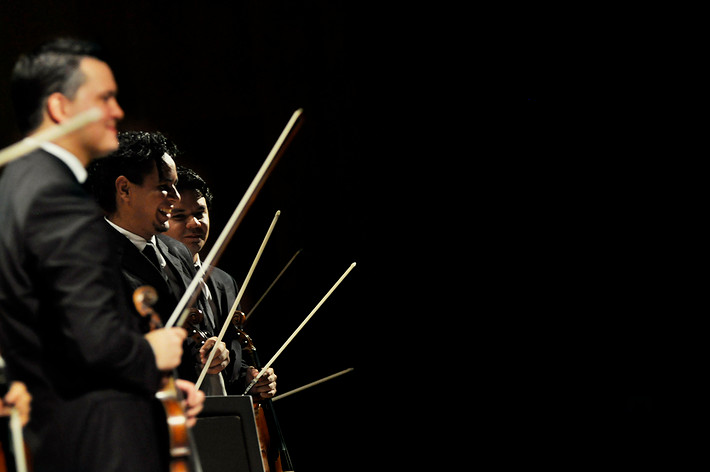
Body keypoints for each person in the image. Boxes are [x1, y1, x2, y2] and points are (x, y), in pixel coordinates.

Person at [0, 38, 203, 472]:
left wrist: (157, 388)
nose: (117, 111)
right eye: (104, 98)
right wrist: (152, 355)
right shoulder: (55, 197)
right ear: (60, 108)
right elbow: (87, 338)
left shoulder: (22, 182)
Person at [85, 131, 232, 396]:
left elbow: (193, 331)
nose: (175, 196)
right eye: (164, 186)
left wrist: (209, 352)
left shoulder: (178, 252)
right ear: (124, 189)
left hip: (196, 413)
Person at [165, 166, 278, 399]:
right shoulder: (158, 278)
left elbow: (235, 359)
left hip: (229, 415)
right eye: (179, 216)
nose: (195, 223)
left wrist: (249, 377)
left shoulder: (224, 281)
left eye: (200, 213)